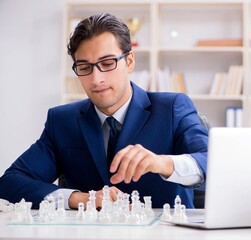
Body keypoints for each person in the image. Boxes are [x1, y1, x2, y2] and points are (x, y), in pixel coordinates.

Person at [0, 13, 208, 210]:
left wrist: (162, 162)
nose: (96, 79)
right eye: (84, 67)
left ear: (129, 61)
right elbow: (10, 182)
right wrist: (80, 198)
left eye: (107, 63)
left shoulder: (172, 108)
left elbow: (211, 162)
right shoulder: (62, 121)